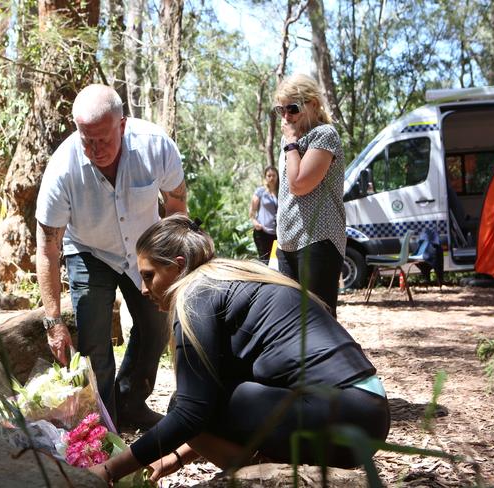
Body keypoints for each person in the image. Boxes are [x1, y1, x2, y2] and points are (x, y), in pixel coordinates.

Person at [89, 214, 390, 484]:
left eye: (148, 275)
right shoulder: (228, 279)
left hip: (342, 414)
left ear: (178, 266)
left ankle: (266, 480)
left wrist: (109, 471)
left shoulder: (196, 294)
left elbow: (192, 414)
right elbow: (213, 404)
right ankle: (272, 473)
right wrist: (173, 459)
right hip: (369, 415)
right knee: (196, 400)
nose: (143, 289)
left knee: (182, 403)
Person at [35, 84, 187, 429]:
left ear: (122, 125)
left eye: (103, 139)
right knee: (94, 346)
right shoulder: (62, 169)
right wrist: (53, 321)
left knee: (155, 328)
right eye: (87, 139)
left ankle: (130, 401)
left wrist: (173, 267)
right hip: (89, 252)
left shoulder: (155, 146)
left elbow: (177, 205)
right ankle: (103, 429)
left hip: (145, 249)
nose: (95, 149)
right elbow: (47, 247)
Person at [274, 73, 346, 317]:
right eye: (280, 110)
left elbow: (299, 184)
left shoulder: (324, 135)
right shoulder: (288, 141)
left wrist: (292, 143)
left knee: (319, 322)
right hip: (287, 243)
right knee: (292, 323)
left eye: (292, 108)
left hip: (318, 240)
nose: (286, 117)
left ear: (313, 104)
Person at [249, 165, 279, 264]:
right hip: (263, 232)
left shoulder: (281, 192)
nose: (271, 178)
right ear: (265, 177)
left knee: (277, 261)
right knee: (265, 261)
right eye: (269, 175)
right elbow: (252, 211)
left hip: (278, 233)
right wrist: (255, 223)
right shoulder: (260, 192)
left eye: (274, 175)